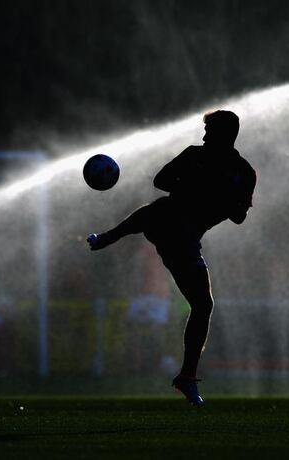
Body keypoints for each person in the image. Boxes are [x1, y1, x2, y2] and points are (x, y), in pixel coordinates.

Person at [87, 110, 256, 407]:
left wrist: (225, 199)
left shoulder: (244, 172)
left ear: (225, 134)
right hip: (176, 227)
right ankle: (107, 237)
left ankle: (187, 377)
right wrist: (195, 185)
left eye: (209, 131)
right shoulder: (194, 155)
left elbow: (240, 215)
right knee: (161, 211)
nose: (203, 136)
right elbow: (160, 180)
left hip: (186, 241)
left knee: (202, 304)